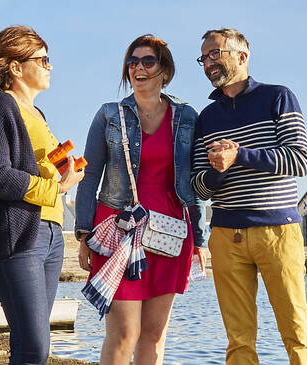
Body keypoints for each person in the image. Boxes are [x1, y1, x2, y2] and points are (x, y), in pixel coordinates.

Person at [73, 35, 211, 364]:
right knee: (124, 333)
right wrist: (83, 233)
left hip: (170, 234)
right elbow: (89, 176)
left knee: (153, 335)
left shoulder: (187, 117)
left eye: (147, 61)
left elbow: (191, 185)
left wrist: (200, 240)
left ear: (165, 70)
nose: (138, 67)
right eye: (132, 62)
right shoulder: (108, 116)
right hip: (118, 231)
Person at [190, 28, 307, 365]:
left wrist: (240, 154)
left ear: (242, 56)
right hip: (225, 235)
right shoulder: (206, 118)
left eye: (215, 53)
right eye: (203, 58)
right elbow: (199, 187)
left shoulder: (278, 97)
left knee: (296, 333)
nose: (208, 63)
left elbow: (299, 160)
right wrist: (218, 171)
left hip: (278, 232)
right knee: (238, 340)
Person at [0, 25, 83, 365]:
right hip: (19, 237)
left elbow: (28, 168)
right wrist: (56, 188)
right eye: (42, 59)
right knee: (33, 346)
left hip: (50, 235)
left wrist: (63, 173)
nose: (49, 65)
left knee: (34, 346)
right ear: (15, 67)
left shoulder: (38, 115)